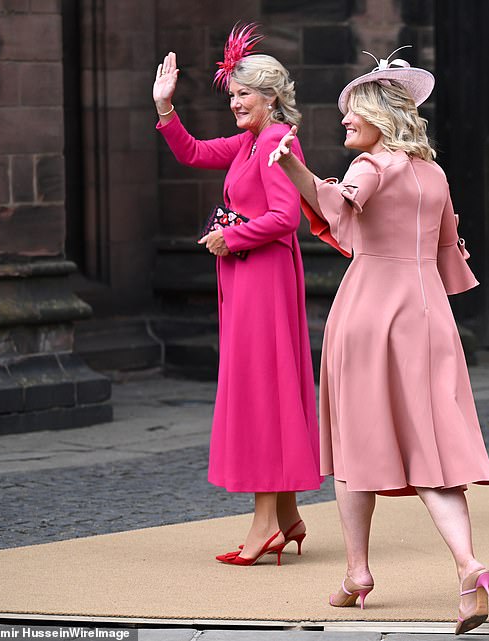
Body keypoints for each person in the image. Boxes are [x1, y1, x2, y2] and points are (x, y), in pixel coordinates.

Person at [268, 48, 489, 634]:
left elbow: (342, 209)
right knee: (434, 452)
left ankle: (357, 572)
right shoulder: (435, 173)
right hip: (429, 315)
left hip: (370, 311)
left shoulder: (372, 165)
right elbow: (449, 251)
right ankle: (468, 567)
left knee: (355, 445)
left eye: (353, 111)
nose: (344, 119)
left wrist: (292, 165)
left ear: (380, 116)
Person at [153, 24, 321, 566]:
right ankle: (287, 515)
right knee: (264, 385)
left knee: (260, 390)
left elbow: (284, 217)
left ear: (269, 97)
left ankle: (265, 525)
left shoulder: (275, 139)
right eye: (232, 96)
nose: (235, 104)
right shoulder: (252, 140)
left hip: (264, 277)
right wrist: (165, 110)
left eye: (243, 94)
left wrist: (231, 236)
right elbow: (195, 153)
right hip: (249, 278)